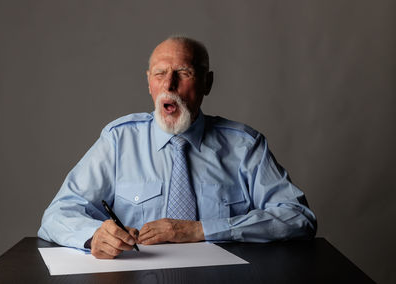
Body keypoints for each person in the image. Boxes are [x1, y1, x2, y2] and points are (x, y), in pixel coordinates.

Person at [38, 36, 317, 259]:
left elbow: (298, 217)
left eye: (183, 73)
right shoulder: (118, 140)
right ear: (149, 83)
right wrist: (94, 235)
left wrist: (201, 230)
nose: (169, 85)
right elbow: (57, 215)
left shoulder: (244, 145)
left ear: (207, 83)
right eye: (160, 74)